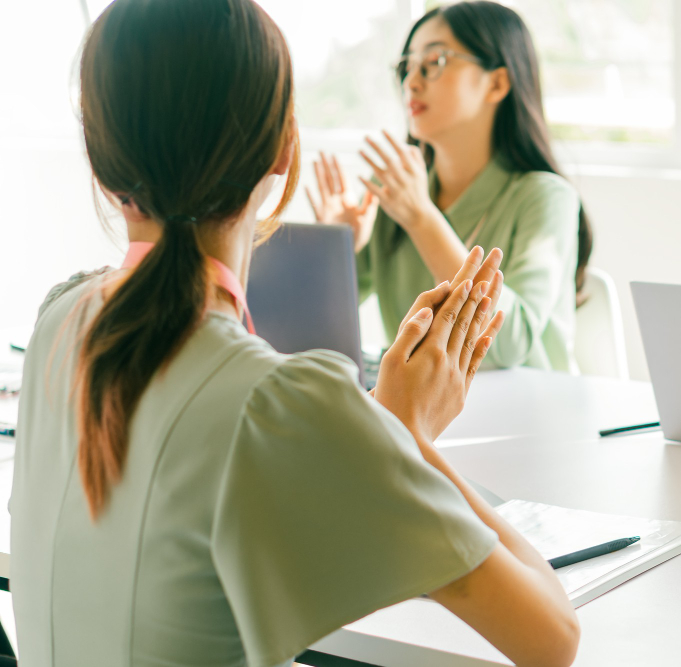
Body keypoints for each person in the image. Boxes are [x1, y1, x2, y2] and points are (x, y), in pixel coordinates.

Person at [8, 2, 580, 666]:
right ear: (286, 148)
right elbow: (552, 637)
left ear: (101, 164)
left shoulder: (57, 318)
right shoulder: (277, 400)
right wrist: (407, 435)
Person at [307, 1, 592, 373]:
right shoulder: (393, 190)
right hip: (417, 417)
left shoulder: (544, 196)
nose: (411, 81)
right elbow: (312, 326)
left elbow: (509, 342)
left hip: (526, 416)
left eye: (434, 62)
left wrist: (422, 218)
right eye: (406, 67)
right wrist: (334, 246)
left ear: (497, 83)